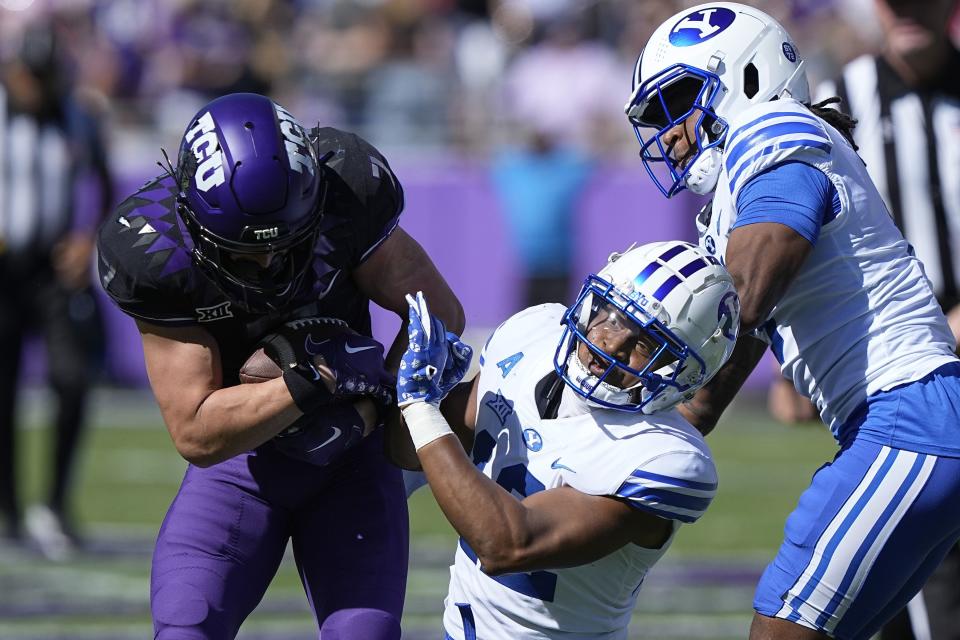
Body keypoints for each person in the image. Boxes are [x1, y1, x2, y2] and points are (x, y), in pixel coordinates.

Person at [624, 3, 960, 639]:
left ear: (745, 76)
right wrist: (678, 427)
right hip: (911, 421)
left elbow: (749, 292)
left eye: (678, 103)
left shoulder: (772, 131)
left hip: (906, 418)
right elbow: (746, 326)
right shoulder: (761, 161)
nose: (668, 134)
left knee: (782, 631)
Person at [95, 92, 463, 639]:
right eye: (244, 251)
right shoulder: (155, 251)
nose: (268, 262)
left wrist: (373, 407)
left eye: (286, 244)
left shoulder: (346, 190)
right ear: (192, 218)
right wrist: (316, 378)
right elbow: (197, 431)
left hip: (353, 463)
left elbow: (438, 320)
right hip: (242, 467)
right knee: (184, 629)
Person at [391, 240, 740, 639]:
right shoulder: (533, 334)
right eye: (612, 315)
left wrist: (420, 408)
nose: (611, 342)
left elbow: (505, 545)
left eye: (644, 343)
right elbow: (406, 453)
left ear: (680, 372)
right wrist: (422, 398)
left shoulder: (664, 456)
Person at [777, 1, 960, 637]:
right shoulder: (837, 101)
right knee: (907, 597)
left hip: (934, 367)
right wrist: (789, 369)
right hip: (897, 382)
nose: (912, 12)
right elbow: (806, 233)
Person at [0, 20, 112, 560]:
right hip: (2, 274)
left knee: (72, 380)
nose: (35, 87)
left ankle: (55, 502)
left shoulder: (77, 116)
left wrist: (85, 237)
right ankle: (9, 512)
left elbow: (107, 184)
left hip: (53, 272)